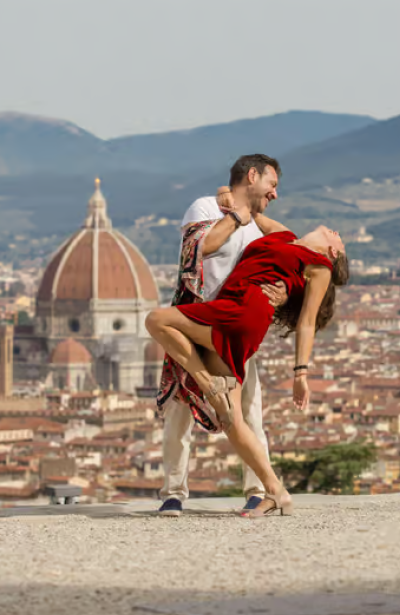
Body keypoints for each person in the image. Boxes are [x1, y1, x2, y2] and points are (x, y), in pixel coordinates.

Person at [146, 205, 349, 518]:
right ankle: (276, 492)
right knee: (231, 420)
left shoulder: (319, 266)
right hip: (231, 312)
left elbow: (307, 322)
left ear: (332, 253)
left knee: (157, 320)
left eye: (339, 239)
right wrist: (227, 196)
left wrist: (301, 373)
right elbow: (252, 211)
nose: (336, 232)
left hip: (243, 314)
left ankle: (205, 381)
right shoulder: (284, 236)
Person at [156, 154, 286, 518]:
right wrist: (235, 217)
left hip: (235, 329)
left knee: (250, 412)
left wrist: (283, 294)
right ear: (252, 175)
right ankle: (173, 493)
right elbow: (198, 249)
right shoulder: (205, 207)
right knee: (179, 412)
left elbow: (284, 262)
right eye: (272, 184)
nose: (275, 194)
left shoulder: (261, 226)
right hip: (194, 320)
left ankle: (257, 490)